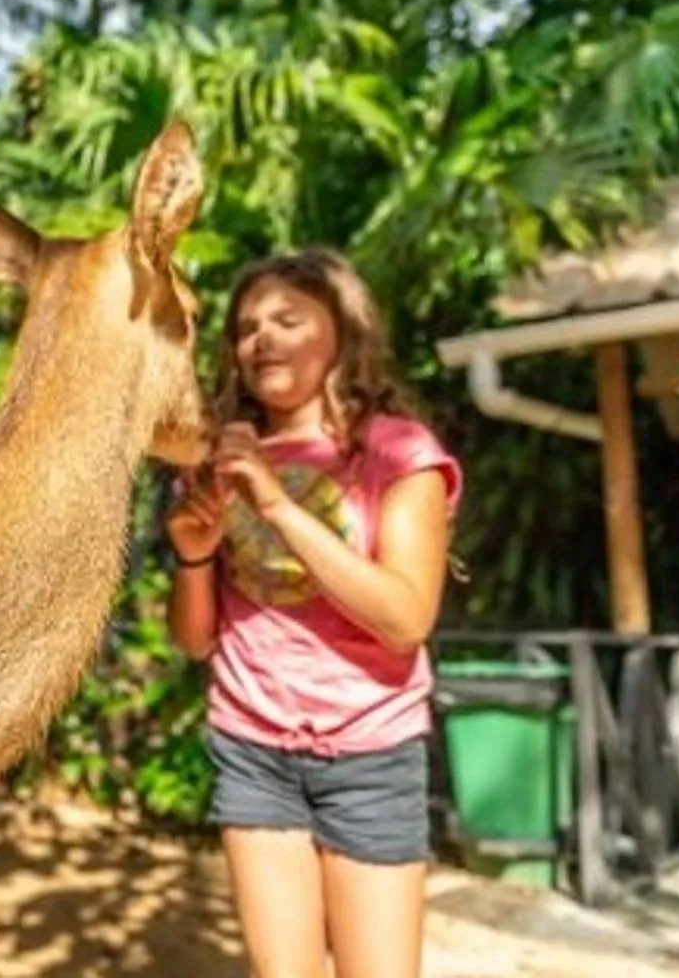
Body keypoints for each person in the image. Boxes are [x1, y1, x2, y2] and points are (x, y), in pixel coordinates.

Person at [166, 248, 462, 978]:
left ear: (343, 333)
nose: (260, 337)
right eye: (246, 327)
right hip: (252, 750)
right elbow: (196, 641)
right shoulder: (218, 463)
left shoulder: (398, 453)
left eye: (287, 319)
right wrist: (196, 555)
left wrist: (274, 503)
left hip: (369, 752)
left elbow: (405, 618)